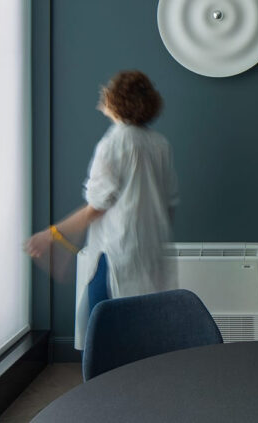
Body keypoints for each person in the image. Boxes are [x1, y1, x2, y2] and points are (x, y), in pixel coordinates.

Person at [26, 70, 179, 349]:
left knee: (102, 336)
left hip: (116, 253)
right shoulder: (160, 144)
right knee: (143, 332)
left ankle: (104, 378)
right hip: (150, 251)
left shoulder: (113, 144)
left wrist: (50, 235)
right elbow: (169, 203)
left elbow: (96, 207)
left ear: (115, 99)